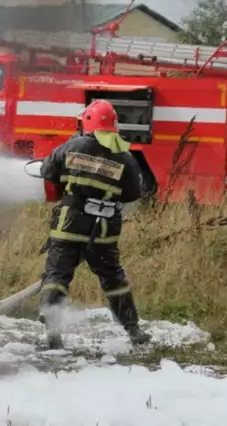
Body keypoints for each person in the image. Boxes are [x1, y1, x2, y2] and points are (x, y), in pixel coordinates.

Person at [37, 99, 151, 349]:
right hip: (103, 232)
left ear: (87, 121)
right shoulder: (126, 157)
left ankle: (53, 332)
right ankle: (134, 331)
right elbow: (133, 193)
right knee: (113, 278)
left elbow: (47, 170)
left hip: (69, 225)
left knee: (57, 275)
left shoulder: (71, 146)